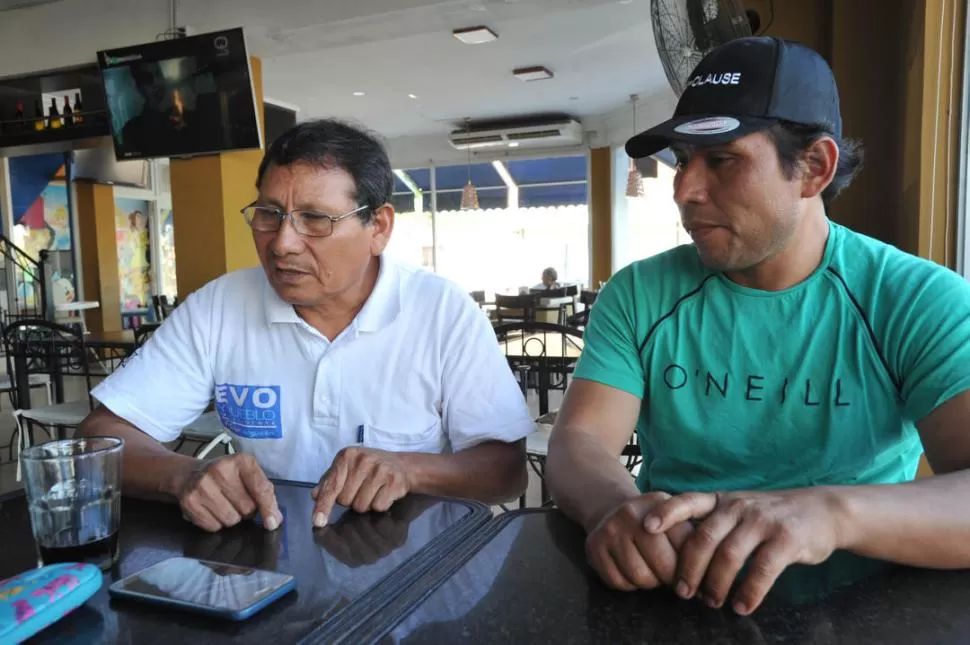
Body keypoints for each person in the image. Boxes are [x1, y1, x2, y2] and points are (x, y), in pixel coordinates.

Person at [547, 36, 970, 617]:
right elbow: (581, 441)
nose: (684, 191)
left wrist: (828, 513)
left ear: (814, 168)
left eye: (721, 160)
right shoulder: (640, 294)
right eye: (681, 160)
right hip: (671, 594)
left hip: (858, 606)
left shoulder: (915, 300)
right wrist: (611, 507)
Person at [77, 119, 533, 533]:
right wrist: (184, 475)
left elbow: (506, 472)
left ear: (379, 227)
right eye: (269, 214)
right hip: (268, 565)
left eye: (315, 219)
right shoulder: (220, 307)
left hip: (412, 572)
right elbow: (100, 437)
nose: (283, 243)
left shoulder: (441, 313)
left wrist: (409, 470)